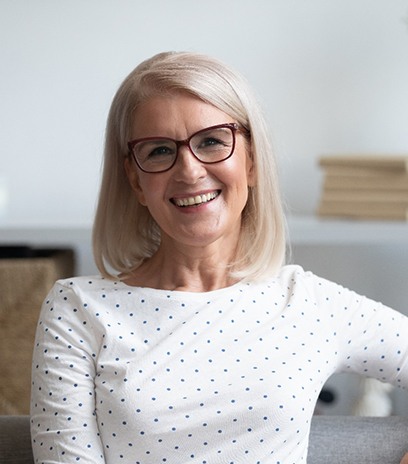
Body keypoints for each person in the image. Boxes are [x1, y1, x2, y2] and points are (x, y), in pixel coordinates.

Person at [30, 51, 408, 464]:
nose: (189, 171)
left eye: (211, 141)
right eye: (158, 150)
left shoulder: (309, 303)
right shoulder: (78, 311)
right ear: (135, 180)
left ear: (251, 161)